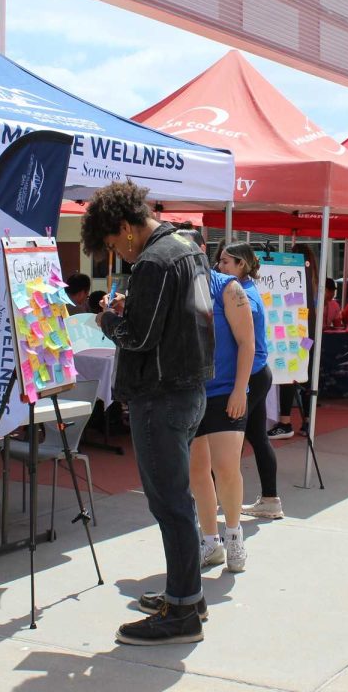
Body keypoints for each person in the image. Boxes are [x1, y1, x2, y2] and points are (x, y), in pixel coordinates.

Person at [83, 181, 214, 646]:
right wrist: (132, 310)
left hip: (162, 395)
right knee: (178, 501)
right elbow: (181, 318)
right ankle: (186, 595)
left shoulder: (157, 260)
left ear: (125, 227)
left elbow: (138, 338)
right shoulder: (187, 247)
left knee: (171, 504)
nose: (118, 253)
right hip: (187, 387)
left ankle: (181, 613)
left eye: (115, 244)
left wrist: (108, 319)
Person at [188, 242, 270, 554]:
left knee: (226, 468)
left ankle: (234, 536)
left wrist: (239, 389)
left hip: (225, 390)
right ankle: (210, 540)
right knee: (198, 471)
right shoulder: (177, 287)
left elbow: (247, 343)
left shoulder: (227, 287)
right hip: (191, 393)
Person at [269, 244, 318, 439]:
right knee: (307, 374)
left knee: (289, 374)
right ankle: (308, 420)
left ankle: (285, 420)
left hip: (294, 331)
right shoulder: (313, 275)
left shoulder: (295, 274)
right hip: (308, 333)